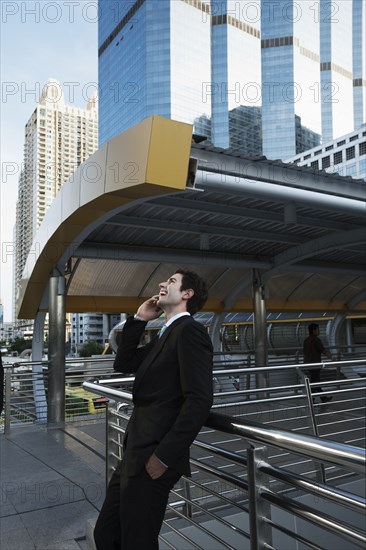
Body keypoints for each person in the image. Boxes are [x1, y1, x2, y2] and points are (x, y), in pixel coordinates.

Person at [94, 269, 213, 550]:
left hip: (154, 456)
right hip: (134, 453)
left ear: (187, 294)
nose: (161, 283)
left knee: (137, 541)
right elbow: (124, 363)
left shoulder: (189, 331)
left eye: (171, 281)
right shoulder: (165, 334)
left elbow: (199, 399)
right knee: (107, 534)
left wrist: (164, 457)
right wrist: (138, 319)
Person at [303, 323, 333, 403]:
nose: (319, 331)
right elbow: (322, 350)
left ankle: (321, 398)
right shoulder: (316, 340)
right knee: (315, 382)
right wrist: (331, 357)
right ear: (313, 331)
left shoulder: (306, 340)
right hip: (315, 364)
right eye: (318, 329)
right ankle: (312, 399)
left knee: (315, 381)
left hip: (308, 364)